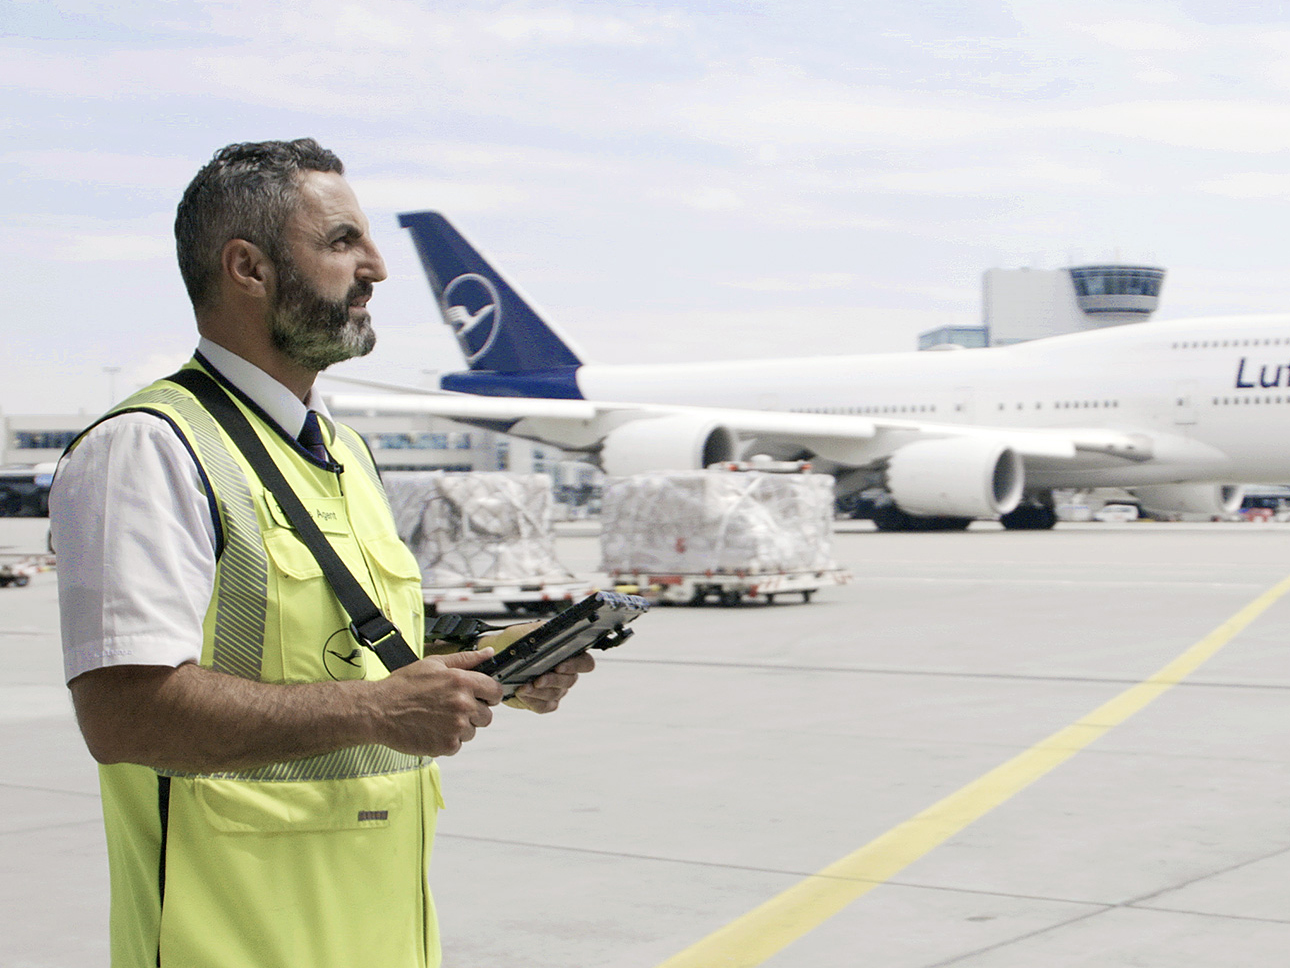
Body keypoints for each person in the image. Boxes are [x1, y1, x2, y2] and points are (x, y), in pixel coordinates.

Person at [49, 138, 593, 968]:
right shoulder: (150, 449)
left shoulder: (340, 450)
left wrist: (484, 669)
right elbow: (125, 714)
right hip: (234, 943)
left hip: (379, 936)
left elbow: (348, 648)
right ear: (249, 268)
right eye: (343, 242)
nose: (376, 266)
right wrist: (378, 712)